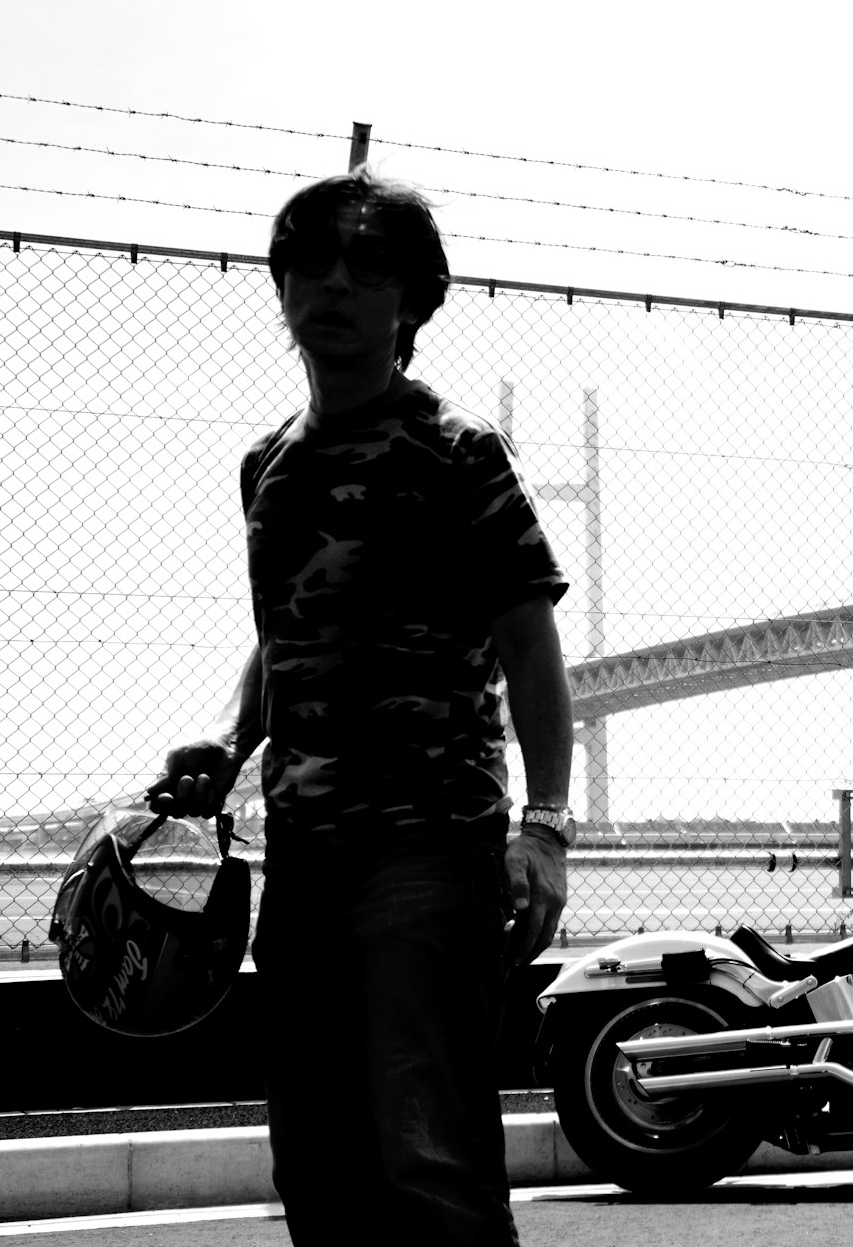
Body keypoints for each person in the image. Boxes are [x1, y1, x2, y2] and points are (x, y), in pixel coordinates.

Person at [147, 167, 573, 1247]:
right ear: (282, 287)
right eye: (309, 262)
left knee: (426, 1150)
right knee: (320, 1159)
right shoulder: (267, 469)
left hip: (429, 843)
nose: (333, 284)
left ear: (415, 300)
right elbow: (284, 629)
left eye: (366, 265)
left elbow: (529, 639)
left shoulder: (457, 450)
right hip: (305, 854)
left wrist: (548, 829)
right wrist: (235, 740)